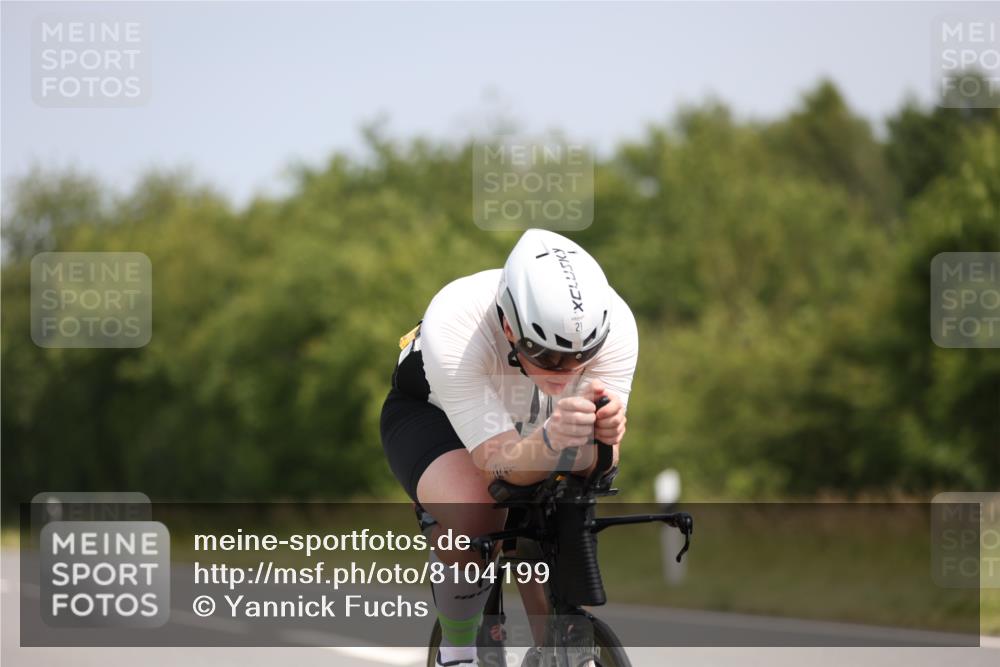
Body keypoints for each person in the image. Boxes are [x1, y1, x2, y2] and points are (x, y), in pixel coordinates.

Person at [380, 228, 638, 666]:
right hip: (434, 413)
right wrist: (554, 440)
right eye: (547, 356)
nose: (565, 371)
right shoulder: (456, 321)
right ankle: (457, 651)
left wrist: (607, 438)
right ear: (507, 325)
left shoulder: (617, 326)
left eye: (580, 358)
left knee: (561, 507)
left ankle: (557, 653)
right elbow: (498, 465)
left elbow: (598, 467)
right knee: (479, 511)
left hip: (533, 418)